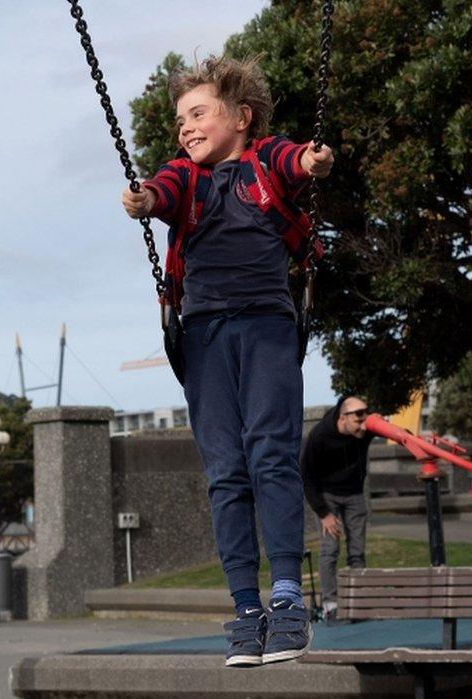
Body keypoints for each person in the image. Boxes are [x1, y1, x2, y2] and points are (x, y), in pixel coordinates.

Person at [121, 55, 334, 667]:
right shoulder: (185, 178)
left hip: (267, 327)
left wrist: (314, 160)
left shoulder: (267, 161)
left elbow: (298, 162)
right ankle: (246, 607)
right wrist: (139, 201)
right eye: (179, 118)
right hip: (205, 336)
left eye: (198, 112)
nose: (185, 127)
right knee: (224, 470)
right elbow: (158, 194)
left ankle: (289, 599)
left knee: (271, 452)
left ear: (241, 117)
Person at [299, 395, 375, 623]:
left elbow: (395, 433)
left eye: (366, 417)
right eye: (358, 419)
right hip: (327, 495)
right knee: (330, 550)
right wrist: (324, 513)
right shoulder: (320, 437)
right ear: (343, 417)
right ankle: (331, 605)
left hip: (354, 494)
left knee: (357, 552)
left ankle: (357, 604)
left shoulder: (364, 431)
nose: (364, 425)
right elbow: (306, 477)